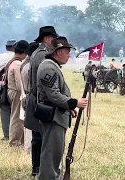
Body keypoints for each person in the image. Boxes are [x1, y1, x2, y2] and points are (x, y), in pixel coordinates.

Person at [36, 36, 87, 179]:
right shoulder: (48, 67)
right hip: (53, 116)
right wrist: (74, 102)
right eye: (67, 51)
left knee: (55, 152)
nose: (68, 55)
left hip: (56, 114)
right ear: (58, 52)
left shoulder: (52, 66)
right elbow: (53, 95)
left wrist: (68, 108)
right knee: (51, 154)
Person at [26, 26, 58, 177]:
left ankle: (37, 168)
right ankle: (38, 168)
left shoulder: (37, 53)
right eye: (53, 38)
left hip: (37, 98)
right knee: (41, 137)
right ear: (46, 39)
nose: (55, 41)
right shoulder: (42, 55)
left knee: (39, 137)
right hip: (40, 99)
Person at [6, 40, 29, 147]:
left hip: (13, 91)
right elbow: (20, 83)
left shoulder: (12, 61)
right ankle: (15, 142)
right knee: (17, 118)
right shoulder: (17, 64)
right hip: (17, 93)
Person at [0, 39, 16, 140]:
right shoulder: (17, 58)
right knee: (15, 112)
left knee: (4, 111)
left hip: (2, 88)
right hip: (15, 88)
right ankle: (14, 135)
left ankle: (7, 135)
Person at [20, 42, 39, 153]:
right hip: (31, 95)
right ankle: (29, 148)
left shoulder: (24, 64)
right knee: (31, 126)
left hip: (27, 95)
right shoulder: (30, 66)